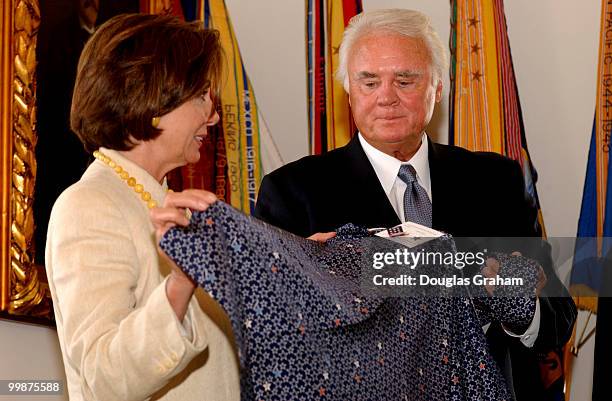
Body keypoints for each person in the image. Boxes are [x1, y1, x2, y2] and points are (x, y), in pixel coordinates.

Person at [254, 9, 576, 401]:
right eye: (369, 81)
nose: (386, 97)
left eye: (405, 80)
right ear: (349, 91)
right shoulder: (292, 193)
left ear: (437, 88)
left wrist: (521, 308)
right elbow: (274, 336)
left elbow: (558, 319)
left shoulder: (496, 180)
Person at [45, 14, 239, 401]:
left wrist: (294, 262)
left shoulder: (166, 203)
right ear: (151, 97)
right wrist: (180, 284)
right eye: (201, 95)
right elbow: (105, 378)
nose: (213, 116)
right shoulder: (89, 205)